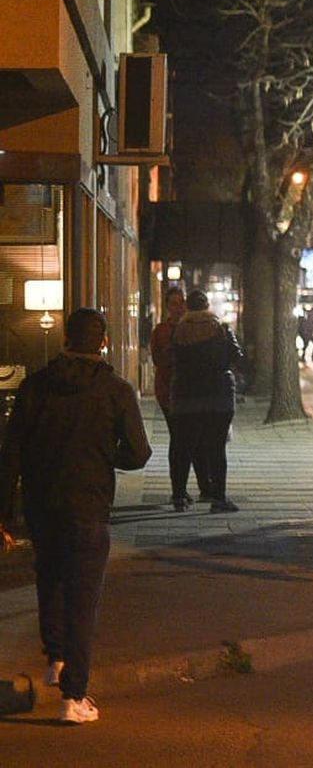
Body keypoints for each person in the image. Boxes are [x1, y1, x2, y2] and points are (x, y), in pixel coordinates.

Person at [0, 308, 152, 724]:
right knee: (83, 598)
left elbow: (11, 451)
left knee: (49, 579)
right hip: (88, 503)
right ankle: (74, 697)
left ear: (66, 339)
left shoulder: (35, 386)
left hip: (42, 504)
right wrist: (106, 456)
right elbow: (139, 453)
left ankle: (56, 659)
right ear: (102, 342)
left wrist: (4, 513)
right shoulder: (115, 391)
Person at [170, 289, 244, 514]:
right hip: (217, 396)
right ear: (207, 306)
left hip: (186, 396)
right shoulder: (220, 328)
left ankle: (179, 496)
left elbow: (173, 359)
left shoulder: (179, 330)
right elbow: (237, 356)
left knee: (183, 447)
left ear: (188, 307)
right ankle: (218, 497)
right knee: (216, 448)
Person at [150, 287, 207, 511]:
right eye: (173, 303)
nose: (178, 307)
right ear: (167, 307)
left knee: (187, 439)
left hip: (189, 392)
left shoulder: (193, 328)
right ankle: (179, 491)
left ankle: (189, 489)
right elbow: (159, 360)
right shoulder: (162, 331)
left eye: (181, 302)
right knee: (180, 439)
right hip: (169, 393)